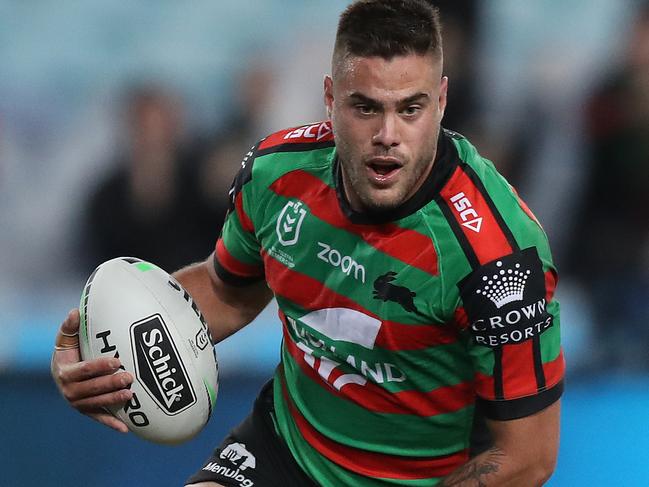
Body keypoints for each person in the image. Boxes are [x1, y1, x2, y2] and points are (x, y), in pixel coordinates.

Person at [52, 1, 564, 485]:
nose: (388, 134)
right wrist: (101, 347)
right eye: (365, 108)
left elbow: (528, 457)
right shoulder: (277, 174)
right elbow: (225, 290)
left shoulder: (498, 259)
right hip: (286, 450)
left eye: (411, 109)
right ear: (330, 98)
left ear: (442, 101)